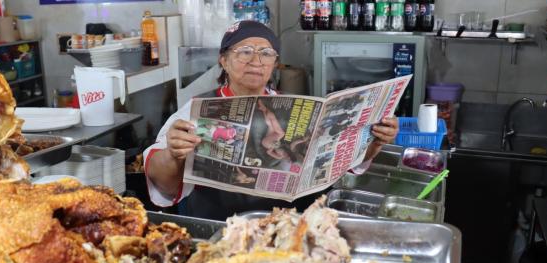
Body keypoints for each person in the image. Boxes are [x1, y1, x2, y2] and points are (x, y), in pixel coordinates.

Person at [144, 21, 398, 220]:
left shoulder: (297, 110)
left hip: (288, 229)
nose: (256, 61)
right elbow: (163, 185)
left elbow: (345, 164)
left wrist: (374, 143)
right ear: (224, 60)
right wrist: (172, 155)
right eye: (244, 51)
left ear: (274, 63)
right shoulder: (193, 112)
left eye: (266, 53)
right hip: (222, 231)